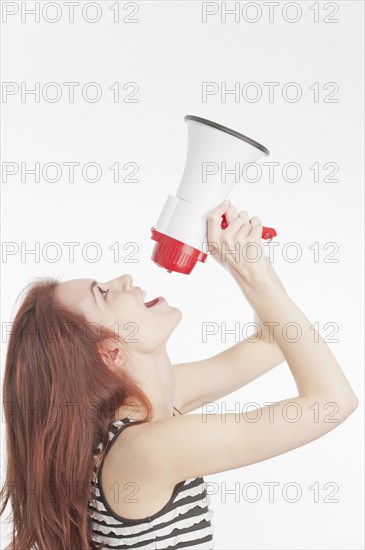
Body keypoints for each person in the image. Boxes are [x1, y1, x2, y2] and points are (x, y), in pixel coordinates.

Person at [0, 200, 358, 549]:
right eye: (104, 294)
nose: (124, 279)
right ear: (110, 352)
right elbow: (332, 402)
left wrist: (242, 265)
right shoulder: (147, 448)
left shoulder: (146, 406)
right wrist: (253, 275)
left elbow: (272, 341)